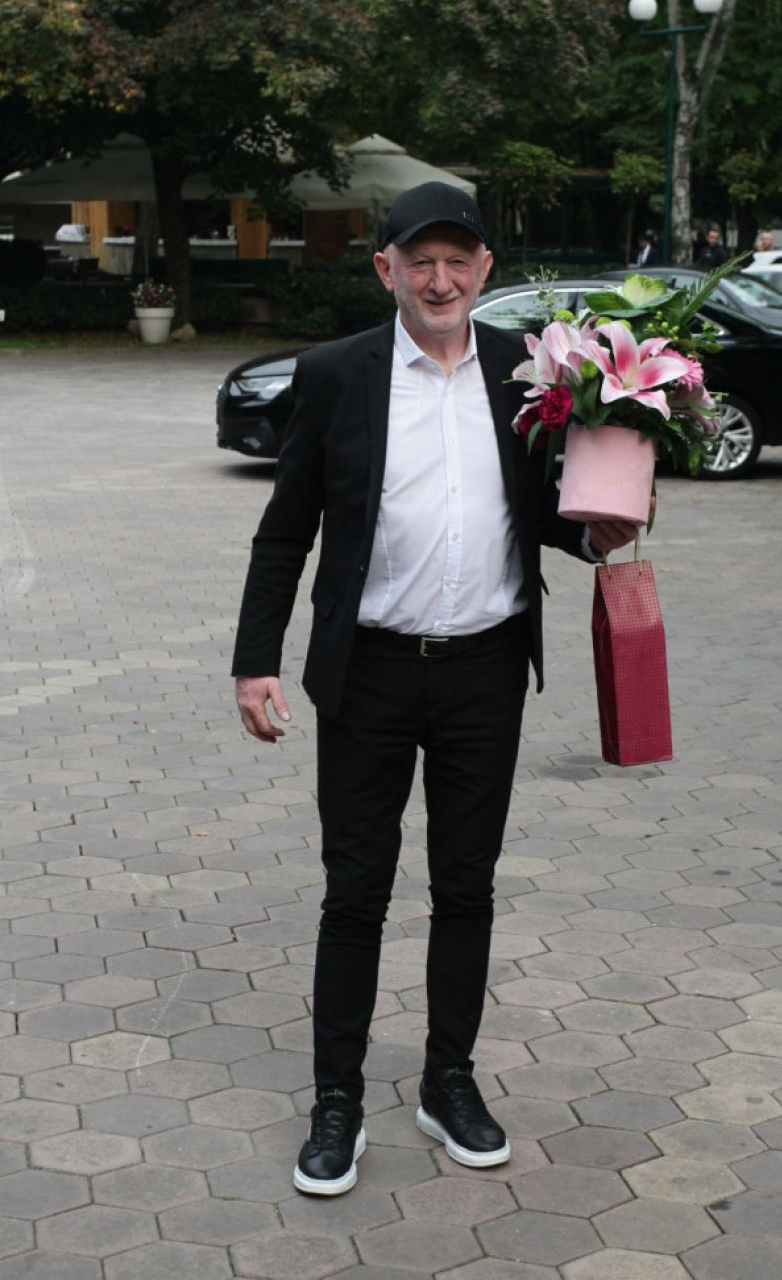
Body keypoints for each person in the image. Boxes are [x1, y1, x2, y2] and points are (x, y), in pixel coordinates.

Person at [231, 181, 643, 1198]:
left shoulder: (529, 373)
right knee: (355, 892)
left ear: (485, 268)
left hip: (485, 671)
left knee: (466, 885)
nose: (441, 279)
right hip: (367, 671)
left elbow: (547, 509)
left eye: (459, 260)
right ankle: (337, 1100)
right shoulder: (337, 374)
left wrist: (603, 528)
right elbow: (286, 530)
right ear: (387, 269)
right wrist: (254, 658)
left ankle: (447, 1080)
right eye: (420, 260)